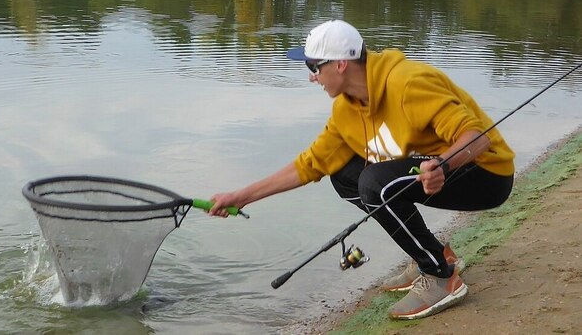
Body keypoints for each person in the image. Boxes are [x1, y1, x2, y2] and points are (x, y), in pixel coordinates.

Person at [209, 20, 515, 320]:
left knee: (374, 182)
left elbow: (478, 136)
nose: (312, 78)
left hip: (485, 173)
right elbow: (309, 164)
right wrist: (241, 196)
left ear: (341, 64)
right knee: (343, 174)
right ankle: (432, 254)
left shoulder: (408, 83)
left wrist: (444, 165)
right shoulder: (346, 109)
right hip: (434, 171)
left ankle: (440, 276)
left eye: (314, 67)